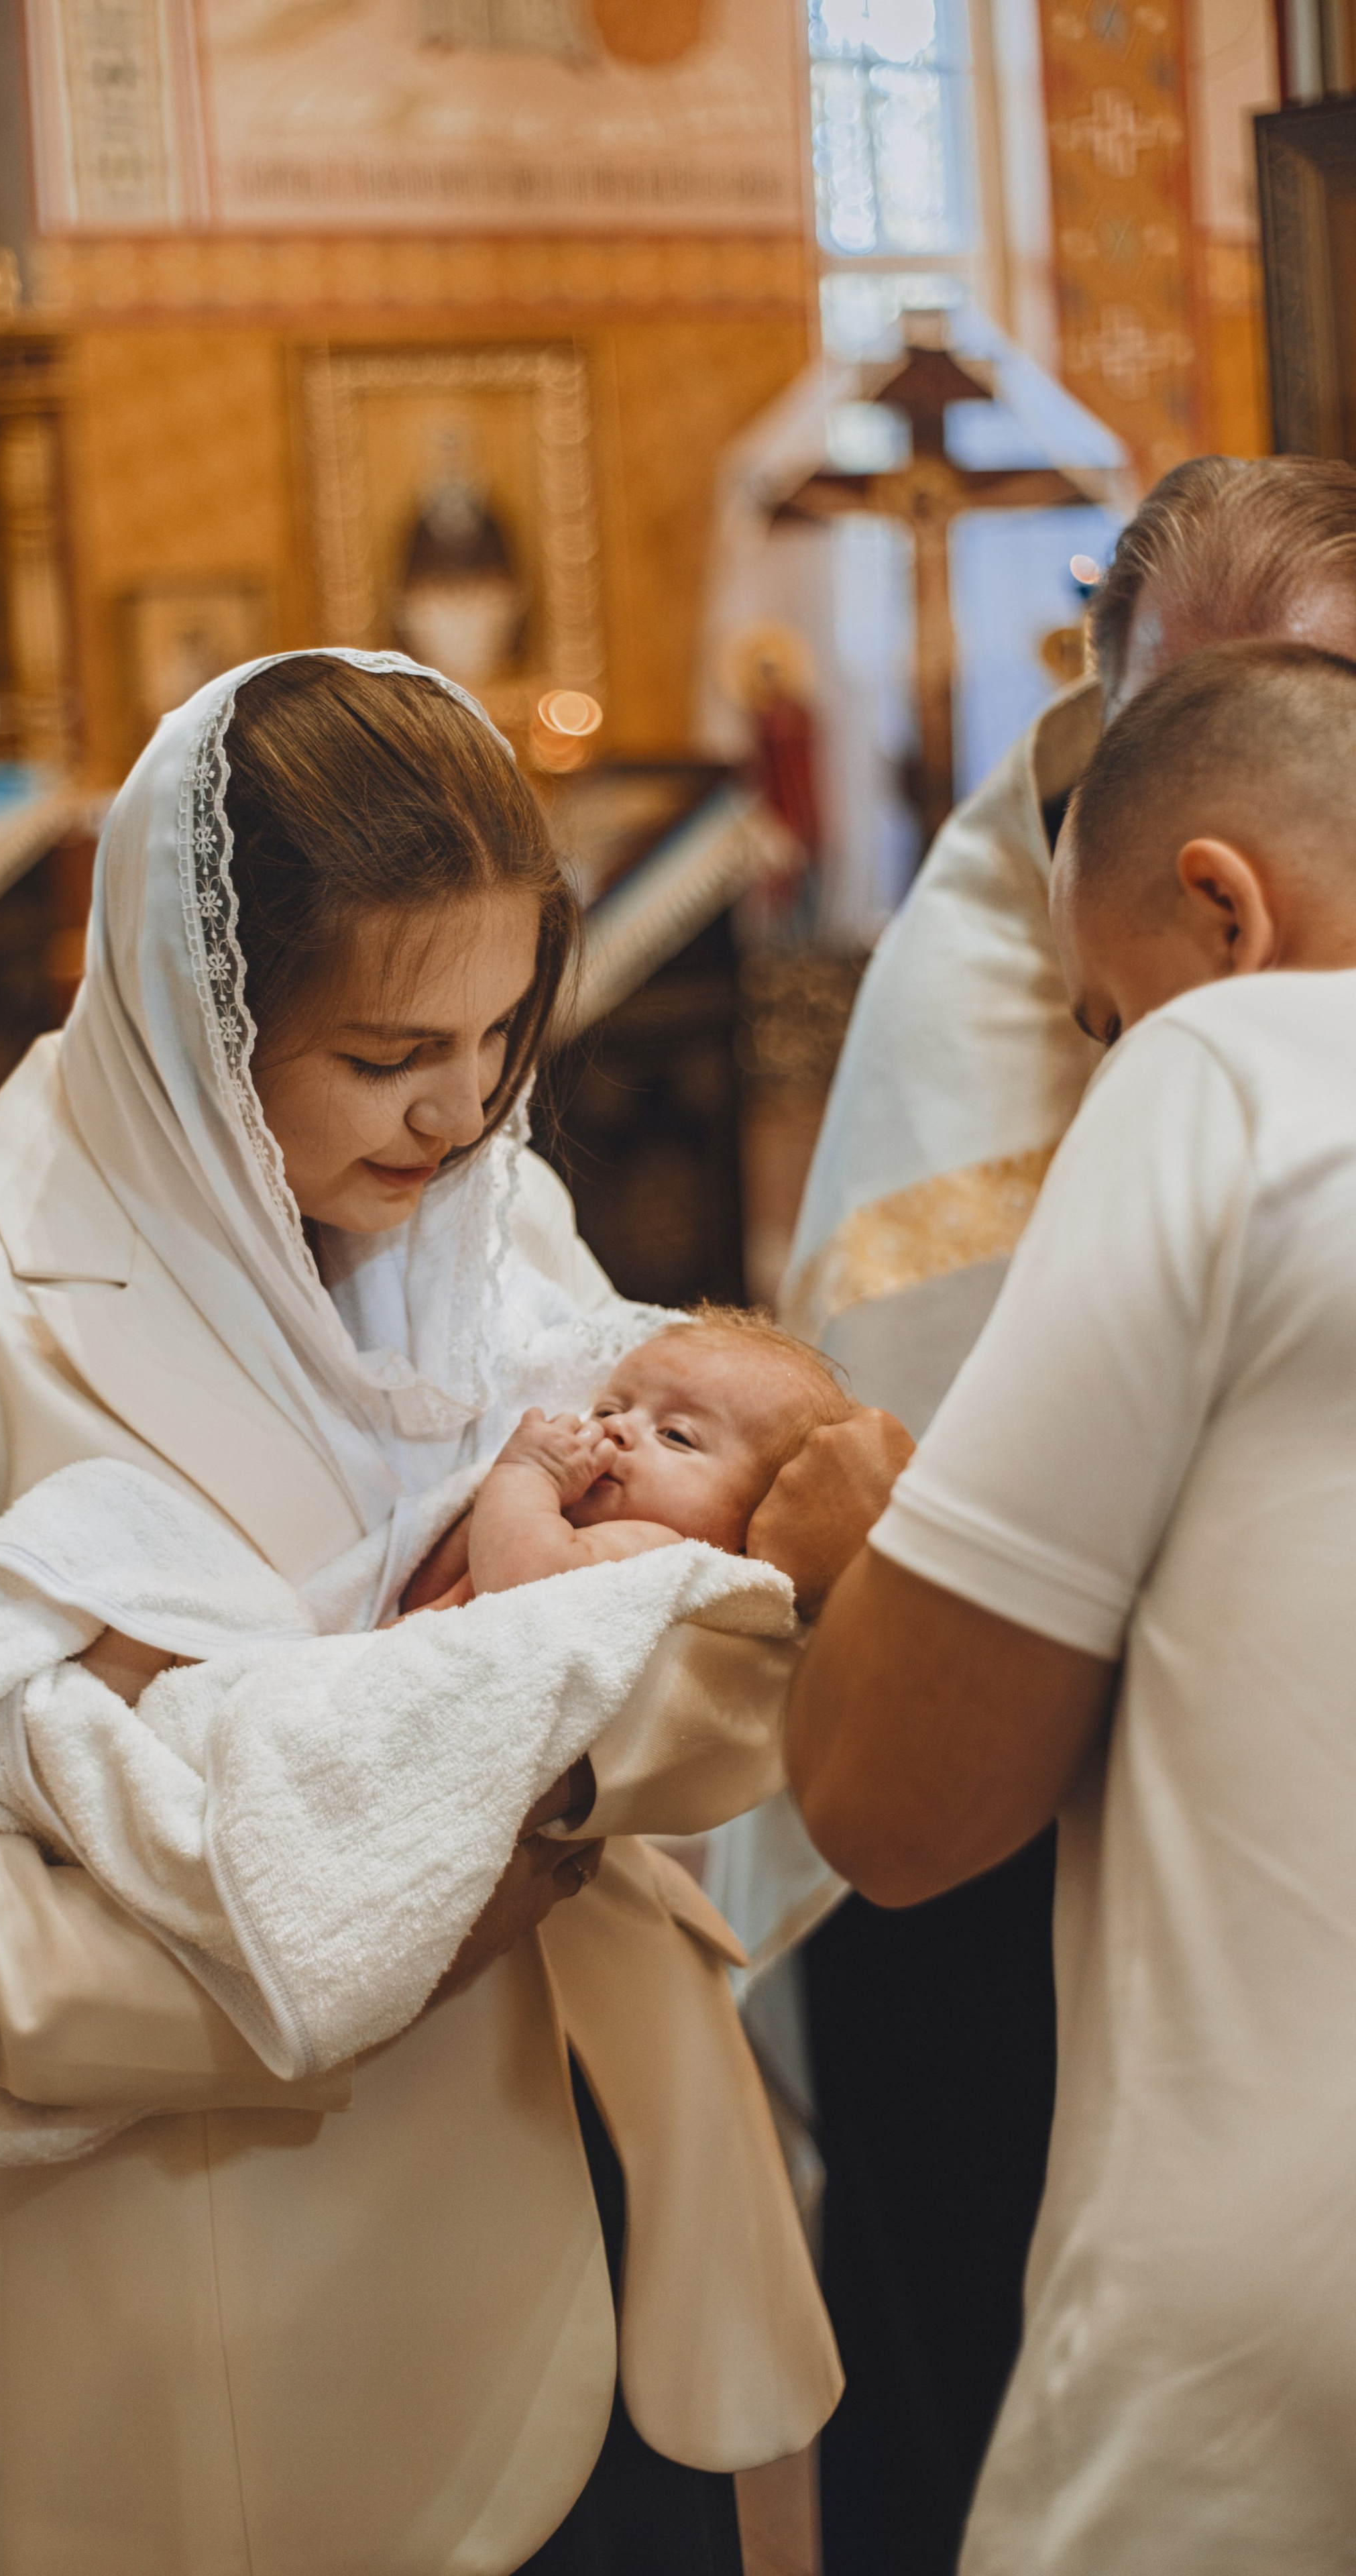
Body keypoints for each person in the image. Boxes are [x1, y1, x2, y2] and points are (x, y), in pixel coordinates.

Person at [0, 649, 869, 2576]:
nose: (459, 1116)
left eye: (501, 1041)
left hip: (605, 2170)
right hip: (270, 2269)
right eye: (386, 1059)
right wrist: (317, 1965)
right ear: (192, 1011)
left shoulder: (483, 1202)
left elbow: (613, 1613)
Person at [773, 454, 1356, 2575]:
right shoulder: (1010, 964)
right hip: (1028, 1892)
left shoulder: (1207, 1072)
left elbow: (884, 1772)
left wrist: (850, 1543)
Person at [464, 1310, 850, 1594]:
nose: (616, 1427)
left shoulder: (662, 1548)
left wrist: (528, 1472)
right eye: (607, 1410)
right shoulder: (562, 1515)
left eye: (675, 1435)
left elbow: (522, 1584)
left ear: (755, 1520)